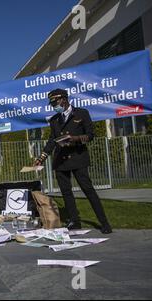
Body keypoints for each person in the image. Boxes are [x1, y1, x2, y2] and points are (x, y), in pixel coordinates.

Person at [34, 88, 112, 234]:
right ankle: (74, 221)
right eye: (51, 104)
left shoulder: (81, 114)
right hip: (60, 161)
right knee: (66, 193)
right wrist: (42, 157)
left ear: (63, 99)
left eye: (55, 102)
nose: (53, 106)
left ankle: (104, 222)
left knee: (88, 190)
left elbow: (90, 135)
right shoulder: (54, 120)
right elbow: (52, 141)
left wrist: (75, 139)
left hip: (78, 158)